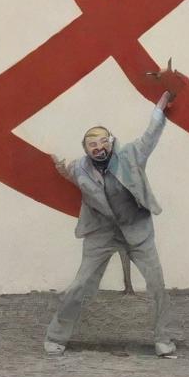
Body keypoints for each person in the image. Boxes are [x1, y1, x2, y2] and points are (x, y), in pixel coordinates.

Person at [44, 91, 176, 357]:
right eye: (92, 144)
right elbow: (69, 173)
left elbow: (150, 135)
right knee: (81, 284)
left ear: (111, 142)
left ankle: (163, 339)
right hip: (101, 233)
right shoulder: (80, 168)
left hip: (136, 229)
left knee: (157, 285)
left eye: (103, 141)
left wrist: (160, 109)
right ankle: (56, 335)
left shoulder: (130, 156)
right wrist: (58, 166)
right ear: (86, 149)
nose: (98, 147)